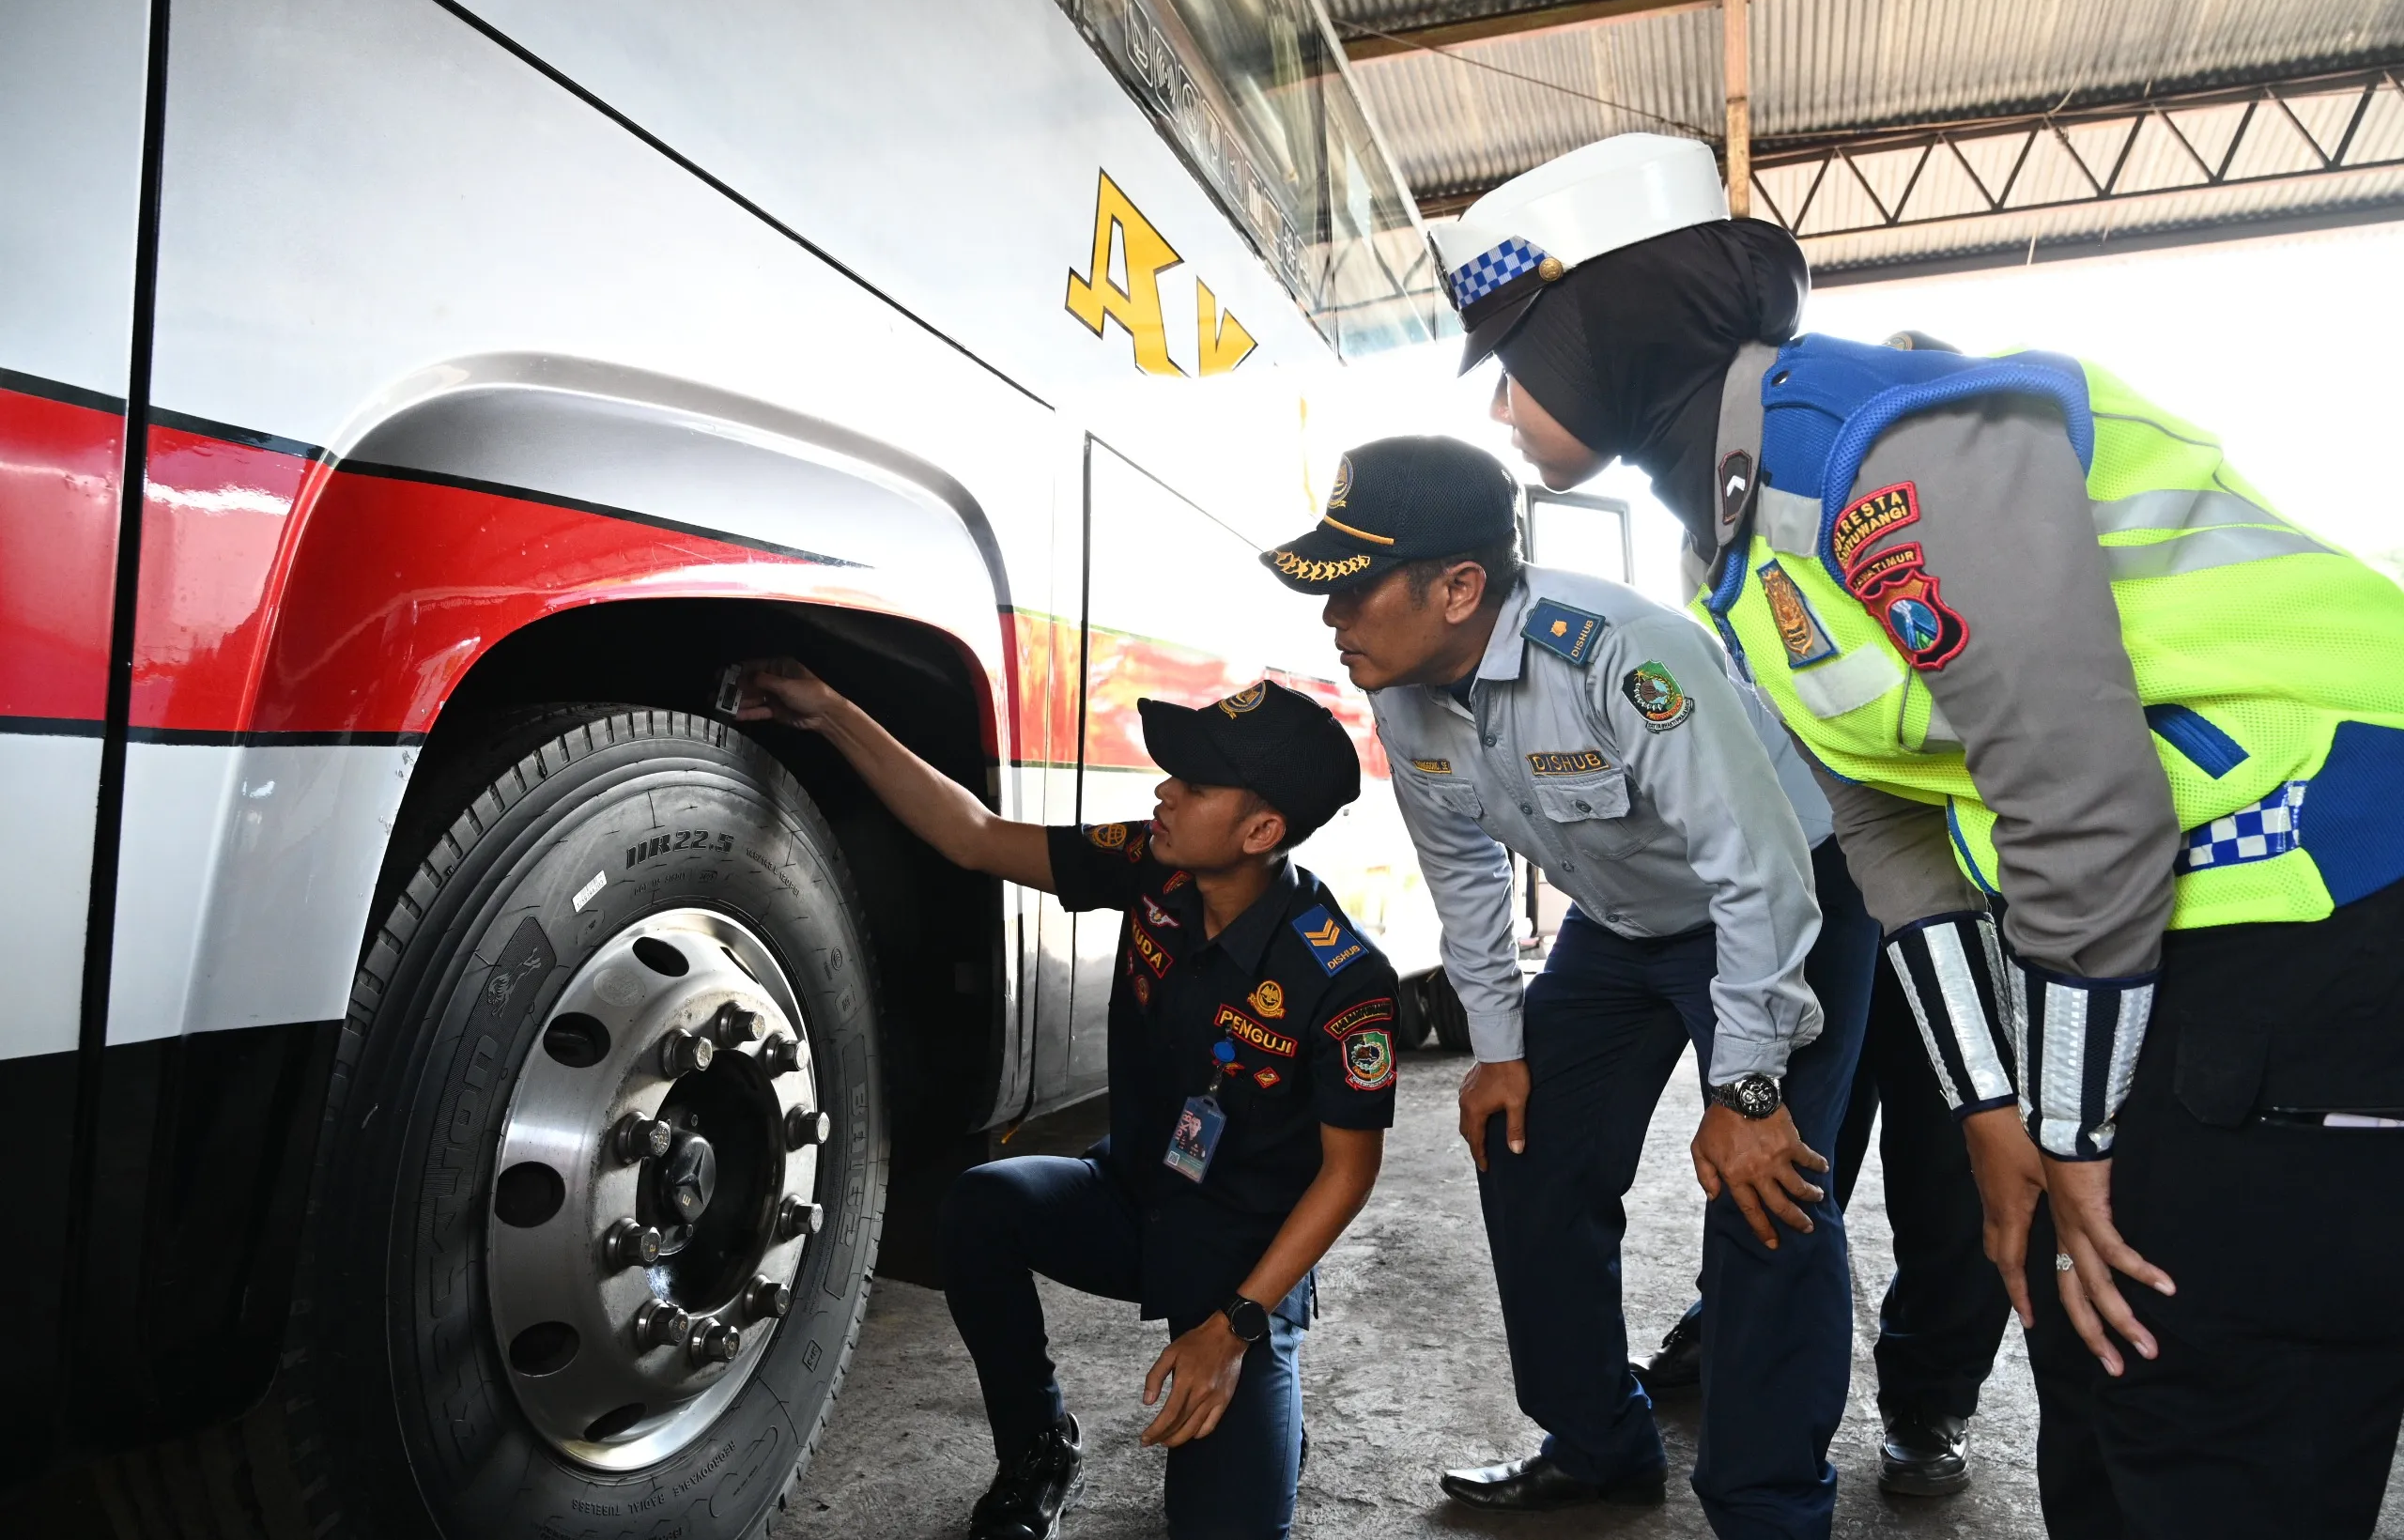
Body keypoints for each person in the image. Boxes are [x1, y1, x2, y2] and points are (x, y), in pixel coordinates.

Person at [1449, 130, 2404, 1537]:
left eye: (1516, 359)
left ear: (1613, 322)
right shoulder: (1744, 534)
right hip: (2192, 927)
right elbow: (1895, 835)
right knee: (2091, 1365)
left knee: (2196, 1376)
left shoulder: (1873, 452)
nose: (1501, 407)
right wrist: (1996, 1117)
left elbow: (2087, 807)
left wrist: (2074, 1139)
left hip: (2333, 894)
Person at [1261, 436, 1874, 1539]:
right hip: (1621, 926)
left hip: (1789, 905)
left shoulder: (1620, 654)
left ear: (1457, 589)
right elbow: (1466, 879)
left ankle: (1768, 1506)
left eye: (1352, 591)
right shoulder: (1406, 699)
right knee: (1523, 1141)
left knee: (1769, 1189)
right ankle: (1597, 1443)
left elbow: (1758, 869)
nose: (1332, 620)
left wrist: (1742, 1095)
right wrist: (1497, 1050)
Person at [734, 662, 1397, 1540]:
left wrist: (1233, 1329)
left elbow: (1347, 1176)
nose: (1163, 790)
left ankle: (1268, 1415)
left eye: (1193, 784)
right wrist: (830, 710)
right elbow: (972, 834)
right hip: (1132, 1198)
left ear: (1261, 828)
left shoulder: (1341, 982)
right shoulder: (1156, 868)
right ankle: (1038, 1445)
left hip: (1239, 1267)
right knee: (983, 1206)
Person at [1631, 949, 2015, 1499]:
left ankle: (1931, 1391)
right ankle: (1731, 1319)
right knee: (1792, 1133)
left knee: (1948, 1155)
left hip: (1956, 911)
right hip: (1828, 886)